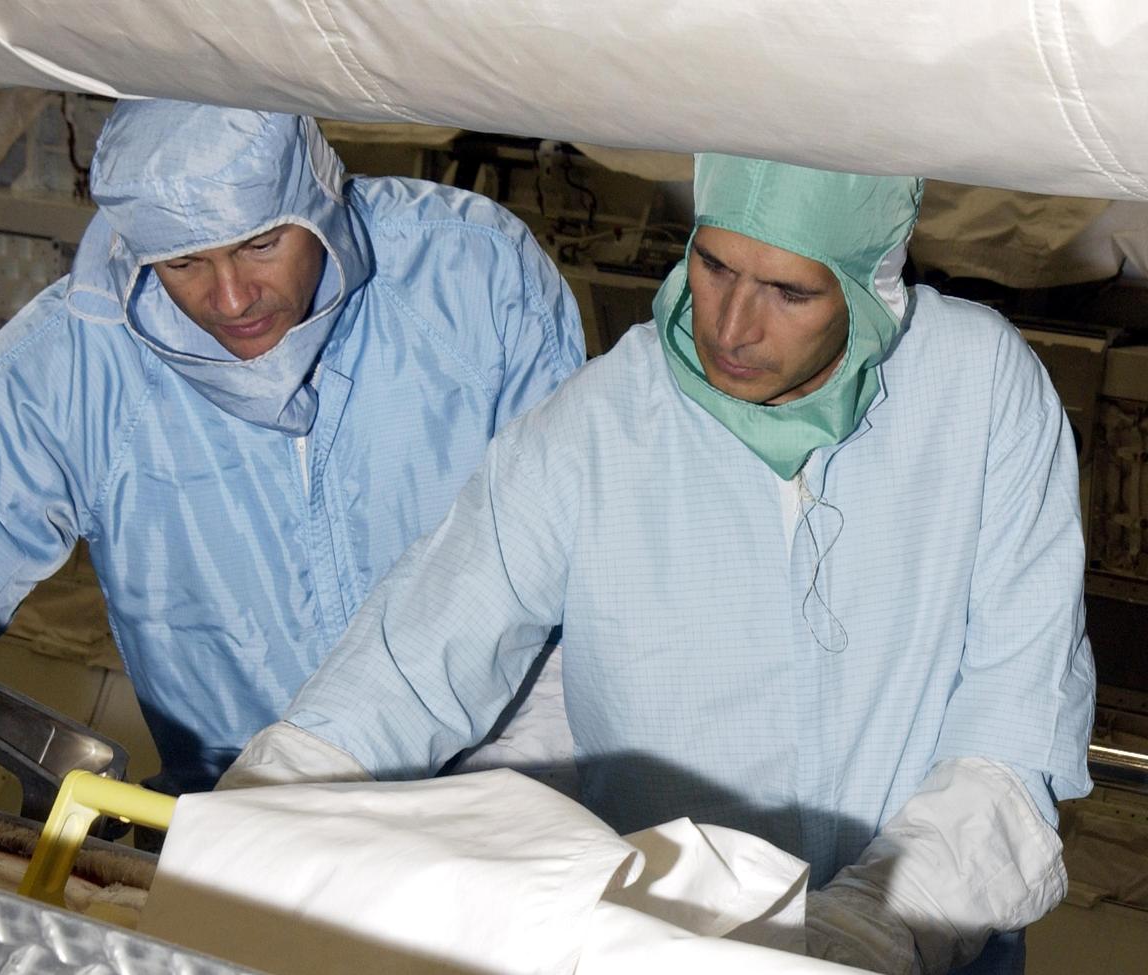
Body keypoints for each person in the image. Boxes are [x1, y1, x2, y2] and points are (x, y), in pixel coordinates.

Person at [222, 154, 1095, 973]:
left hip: (924, 938)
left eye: (789, 292)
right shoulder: (605, 421)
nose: (731, 326)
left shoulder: (979, 391)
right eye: (714, 267)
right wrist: (251, 827)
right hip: (658, 943)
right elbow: (415, 659)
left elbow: (1013, 725)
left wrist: (868, 928)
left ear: (871, 288)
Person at [0, 100, 584, 795]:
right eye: (184, 263)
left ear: (317, 194)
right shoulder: (80, 360)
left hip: (481, 806)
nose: (233, 298)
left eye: (261, 243)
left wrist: (503, 811)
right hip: (237, 820)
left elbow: (562, 574)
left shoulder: (474, 281)